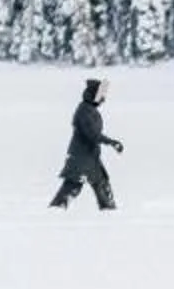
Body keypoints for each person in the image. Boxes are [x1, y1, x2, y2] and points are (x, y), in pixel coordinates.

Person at [49, 76, 123, 210]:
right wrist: (111, 142)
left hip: (90, 158)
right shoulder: (84, 111)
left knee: (102, 184)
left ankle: (109, 212)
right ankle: (55, 210)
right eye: (100, 95)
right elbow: (92, 134)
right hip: (80, 158)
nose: (103, 99)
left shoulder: (90, 109)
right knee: (72, 187)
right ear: (93, 95)